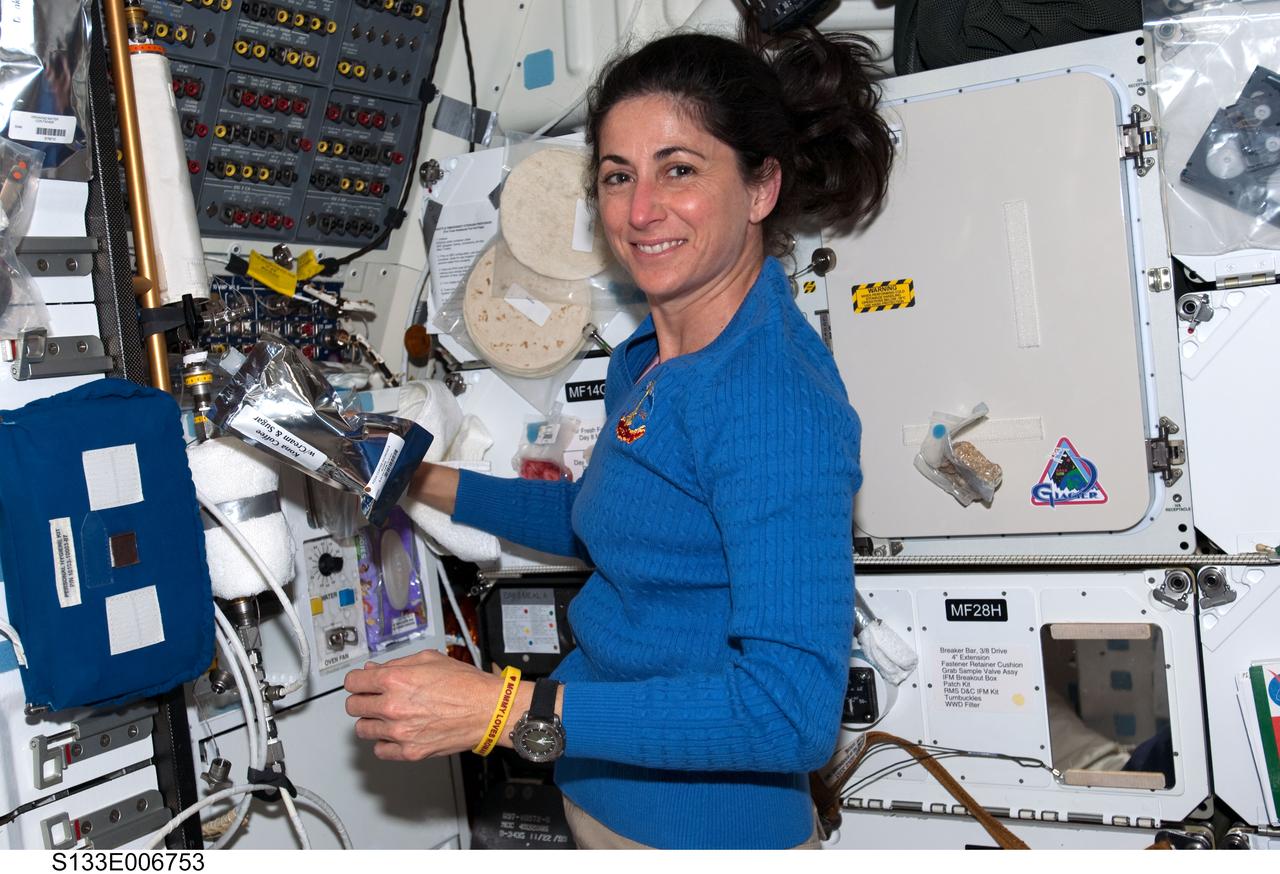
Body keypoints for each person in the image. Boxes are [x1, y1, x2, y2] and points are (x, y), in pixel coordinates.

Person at [344, 23, 895, 850]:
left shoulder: (773, 400)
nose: (640, 211)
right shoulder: (653, 351)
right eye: (616, 175)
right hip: (605, 805)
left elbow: (790, 716)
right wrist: (418, 478)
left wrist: (502, 709)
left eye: (680, 169)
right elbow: (604, 517)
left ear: (760, 187)